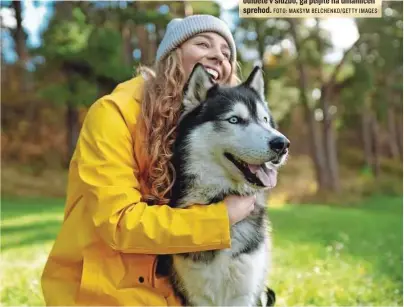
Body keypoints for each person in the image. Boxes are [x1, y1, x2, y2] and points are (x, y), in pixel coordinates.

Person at [41, 14, 275, 306]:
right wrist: (222, 217)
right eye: (203, 44)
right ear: (171, 57)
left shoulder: (203, 127)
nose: (218, 56)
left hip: (174, 293)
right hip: (109, 291)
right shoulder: (113, 114)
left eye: (227, 54)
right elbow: (120, 223)